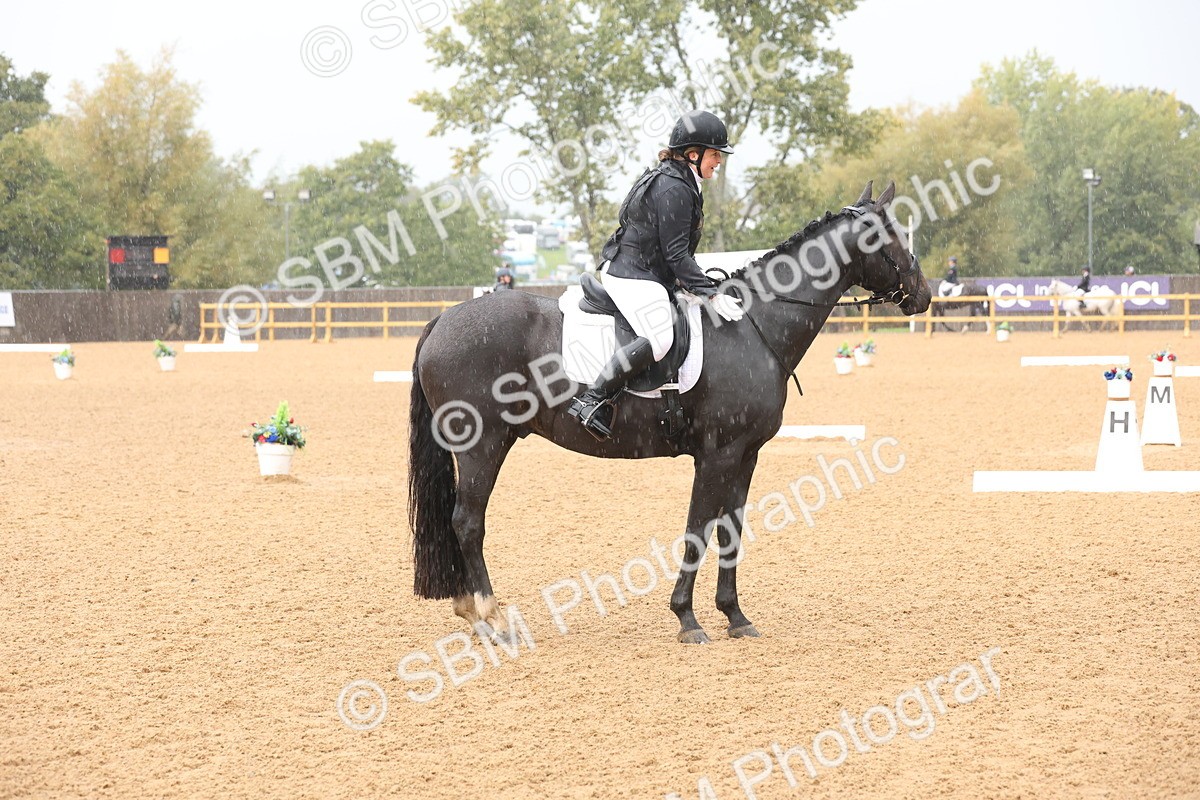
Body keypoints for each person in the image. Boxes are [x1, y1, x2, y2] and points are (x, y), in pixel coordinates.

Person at [567, 109, 744, 440]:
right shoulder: (672, 188)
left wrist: (698, 284)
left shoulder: (678, 179)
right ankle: (593, 399)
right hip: (631, 274)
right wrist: (710, 293)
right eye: (715, 154)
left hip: (645, 269)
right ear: (694, 154)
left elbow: (672, 251)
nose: (718, 161)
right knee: (660, 339)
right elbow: (676, 253)